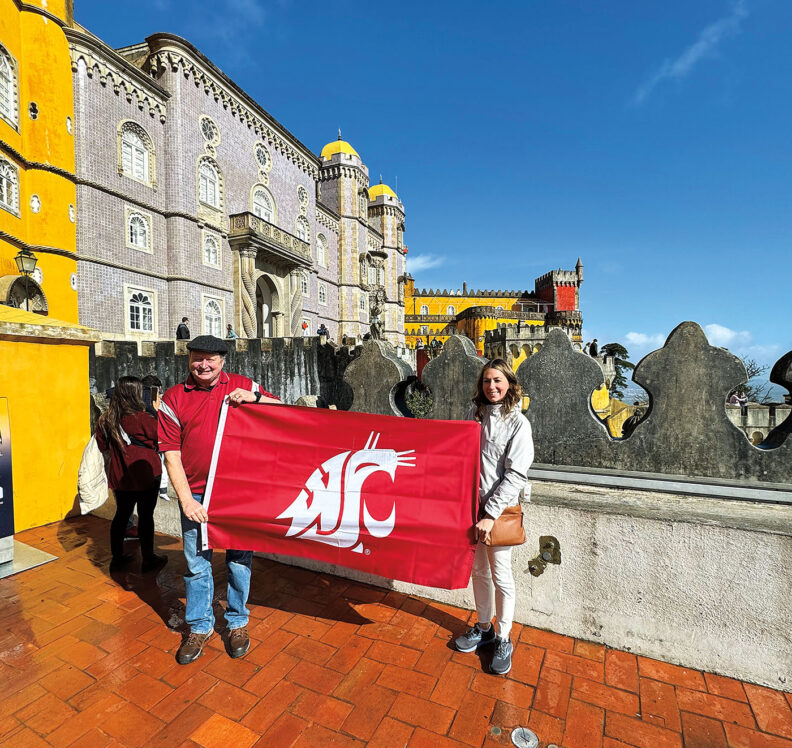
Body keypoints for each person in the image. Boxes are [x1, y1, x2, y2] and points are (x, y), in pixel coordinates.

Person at [158, 335, 279, 665]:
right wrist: (186, 501)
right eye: (197, 358)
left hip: (236, 491)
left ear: (223, 361)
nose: (203, 365)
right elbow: (171, 454)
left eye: (211, 358)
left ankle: (237, 621)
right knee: (197, 563)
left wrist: (254, 397)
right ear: (189, 360)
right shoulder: (173, 398)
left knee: (240, 559)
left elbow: (282, 411)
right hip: (196, 493)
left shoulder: (241, 385)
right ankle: (200, 625)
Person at [455, 359, 533, 675]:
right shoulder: (474, 417)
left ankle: (503, 637)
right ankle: (484, 627)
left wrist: (489, 513)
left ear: (509, 384)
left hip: (498, 512)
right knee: (479, 573)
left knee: (501, 576)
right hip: (471, 510)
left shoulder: (518, 423)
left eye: (497, 381)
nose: (492, 387)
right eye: (487, 381)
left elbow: (515, 475)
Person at [95, 376, 167, 574]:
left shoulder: (106, 419)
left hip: (120, 475)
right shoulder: (142, 418)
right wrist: (158, 410)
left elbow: (102, 446)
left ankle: (117, 558)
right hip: (146, 475)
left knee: (121, 515)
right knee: (146, 517)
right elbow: (163, 436)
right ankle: (148, 559)